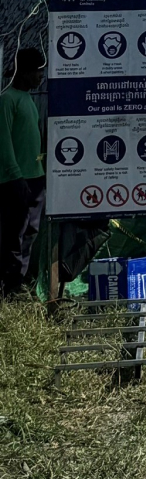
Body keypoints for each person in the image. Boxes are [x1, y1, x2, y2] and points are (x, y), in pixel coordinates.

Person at [0, 47, 46, 298]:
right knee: (14, 235)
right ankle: (9, 286)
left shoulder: (28, 99)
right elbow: (4, 142)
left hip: (35, 177)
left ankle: (20, 281)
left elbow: (32, 143)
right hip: (16, 180)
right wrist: (15, 175)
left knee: (30, 232)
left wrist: (41, 164)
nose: (41, 77)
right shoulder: (8, 100)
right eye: (37, 72)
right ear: (24, 72)